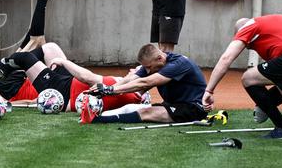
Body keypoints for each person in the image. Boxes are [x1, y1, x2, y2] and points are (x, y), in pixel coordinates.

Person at [0, 0, 147, 114]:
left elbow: (34, 102)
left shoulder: (120, 89)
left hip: (13, 86)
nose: (132, 69)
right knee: (48, 46)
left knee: (35, 41)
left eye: (137, 69)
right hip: (59, 83)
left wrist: (8, 104)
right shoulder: (120, 85)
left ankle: (4, 65)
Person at [202, 15, 282, 140]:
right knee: (275, 97)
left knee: (248, 78)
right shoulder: (275, 32)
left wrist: (209, 90)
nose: (247, 47)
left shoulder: (249, 26)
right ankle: (280, 124)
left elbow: (226, 58)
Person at [80, 43, 208, 125]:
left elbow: (145, 82)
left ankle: (96, 120)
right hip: (174, 104)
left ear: (160, 58)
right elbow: (131, 78)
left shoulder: (178, 64)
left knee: (147, 112)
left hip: (193, 109)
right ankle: (94, 115)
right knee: (130, 107)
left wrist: (110, 91)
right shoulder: (154, 64)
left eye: (148, 67)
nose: (146, 71)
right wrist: (107, 88)